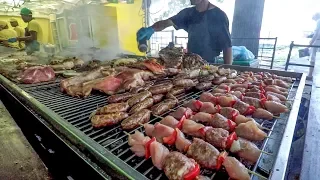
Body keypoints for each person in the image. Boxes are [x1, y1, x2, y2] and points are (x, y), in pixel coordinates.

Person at [137, 0, 232, 64]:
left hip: (210, 64)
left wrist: (228, 70)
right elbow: (167, 22)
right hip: (190, 62)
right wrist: (151, 29)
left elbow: (227, 47)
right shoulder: (188, 13)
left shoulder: (218, 16)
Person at [309, 12, 320, 77]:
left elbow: (317, 33)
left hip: (317, 41)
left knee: (313, 58)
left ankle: (310, 75)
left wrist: (311, 42)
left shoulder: (319, 21)